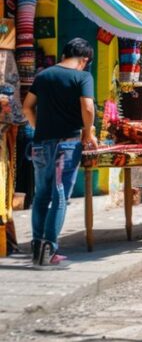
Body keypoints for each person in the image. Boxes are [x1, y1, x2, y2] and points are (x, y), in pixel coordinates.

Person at [22, 38, 97, 268]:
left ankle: (37, 248)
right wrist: (88, 133)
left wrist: (38, 127)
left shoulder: (43, 75)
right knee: (60, 195)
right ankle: (50, 249)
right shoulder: (82, 76)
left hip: (41, 143)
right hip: (68, 143)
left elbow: (27, 106)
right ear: (84, 60)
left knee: (41, 195)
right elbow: (87, 107)